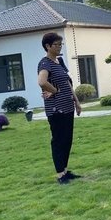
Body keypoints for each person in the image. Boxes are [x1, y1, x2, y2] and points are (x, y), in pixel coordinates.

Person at [37, 32, 82, 185]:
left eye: (60, 44)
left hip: (68, 106)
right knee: (58, 140)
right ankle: (60, 174)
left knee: (67, 139)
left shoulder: (59, 62)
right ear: (47, 46)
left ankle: (65, 170)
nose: (59, 47)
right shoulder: (45, 64)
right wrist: (55, 90)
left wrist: (76, 101)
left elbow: (68, 83)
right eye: (56, 44)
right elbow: (42, 81)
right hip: (56, 109)